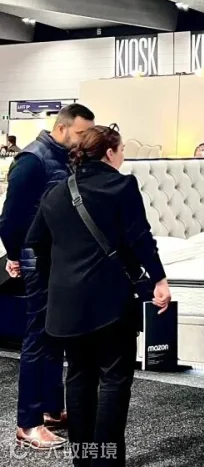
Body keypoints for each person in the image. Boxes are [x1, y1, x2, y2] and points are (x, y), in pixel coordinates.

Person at [25, 124, 170, 466]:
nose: (123, 157)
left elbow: (36, 241)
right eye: (121, 151)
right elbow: (140, 238)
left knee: (78, 377)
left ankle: (84, 459)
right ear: (109, 153)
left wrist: (58, 279)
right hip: (110, 304)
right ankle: (106, 462)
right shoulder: (122, 185)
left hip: (67, 306)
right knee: (114, 381)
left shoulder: (56, 191)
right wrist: (159, 279)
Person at [0, 103, 95, 450]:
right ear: (62, 128)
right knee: (38, 339)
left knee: (55, 336)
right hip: (38, 259)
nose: (84, 139)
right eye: (81, 133)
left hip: (59, 260)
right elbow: (10, 219)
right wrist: (15, 255)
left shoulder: (67, 158)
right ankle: (28, 423)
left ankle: (51, 410)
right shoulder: (32, 160)